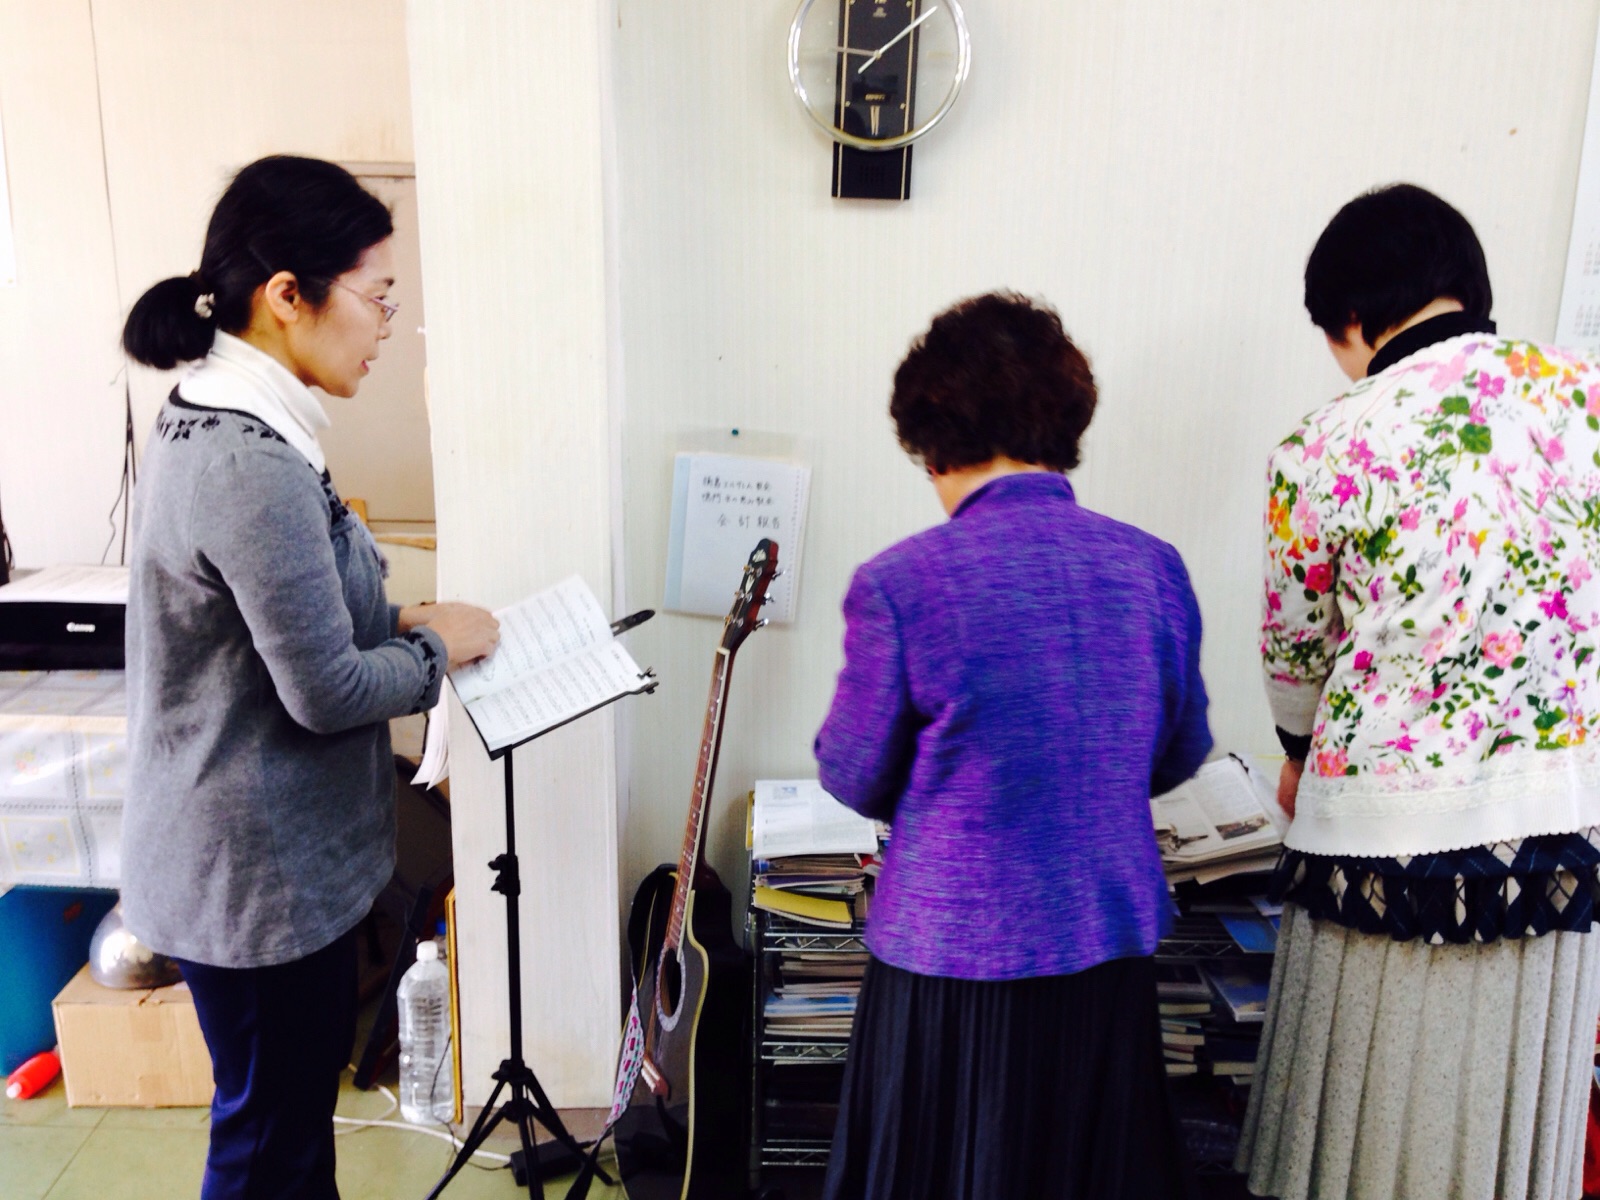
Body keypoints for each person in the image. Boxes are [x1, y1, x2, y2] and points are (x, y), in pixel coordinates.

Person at [118, 155, 500, 1199]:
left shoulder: (237, 417)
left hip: (262, 862)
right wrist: (437, 652)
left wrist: (402, 619)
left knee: (287, 1137)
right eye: (378, 298)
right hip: (251, 879)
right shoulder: (248, 462)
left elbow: (278, 620)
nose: (387, 327)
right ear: (288, 295)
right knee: (266, 1149)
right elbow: (325, 690)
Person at [1238, 184, 1600, 1200]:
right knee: (1500, 1135)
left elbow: (1296, 649)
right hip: (1559, 827)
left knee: (1361, 1126)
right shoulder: (1585, 397)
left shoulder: (1322, 443)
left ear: (1352, 318)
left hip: (1379, 837)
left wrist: (1296, 753)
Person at [814, 292, 1212, 1200]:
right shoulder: (1152, 566)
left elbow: (855, 771)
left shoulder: (901, 582)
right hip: (1104, 951)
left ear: (933, 441)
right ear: (1062, 426)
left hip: (950, 962)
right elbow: (1178, 750)